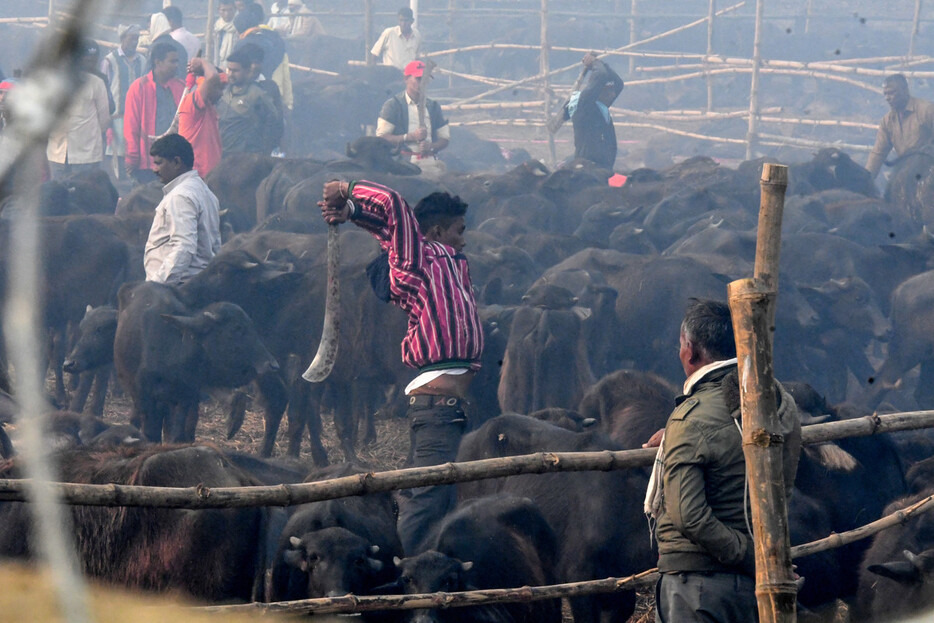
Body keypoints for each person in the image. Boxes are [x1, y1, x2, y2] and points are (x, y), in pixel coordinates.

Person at [317, 179, 483, 554]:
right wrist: (347, 188)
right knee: (425, 502)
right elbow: (392, 204)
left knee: (436, 498)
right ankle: (401, 571)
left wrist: (354, 213)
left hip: (448, 409)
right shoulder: (417, 262)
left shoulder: (450, 262)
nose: (464, 240)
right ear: (436, 232)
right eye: (459, 231)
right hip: (437, 409)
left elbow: (393, 231)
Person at [644, 299, 801, 623]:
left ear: (690, 351)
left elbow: (688, 516)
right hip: (756, 585)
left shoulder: (691, 419)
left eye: (680, 346)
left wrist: (749, 556)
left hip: (698, 587)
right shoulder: (777, 403)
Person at [143, 133, 221, 286]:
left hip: (178, 286)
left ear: (177, 162)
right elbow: (215, 244)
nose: (154, 169)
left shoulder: (180, 196)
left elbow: (184, 246)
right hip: (198, 280)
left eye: (159, 163)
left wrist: (157, 287)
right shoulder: (205, 192)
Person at [46, 40, 111, 180]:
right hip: (57, 153)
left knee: (84, 194)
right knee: (58, 194)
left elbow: (104, 119)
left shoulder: (96, 83)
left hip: (86, 154)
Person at [124, 41, 185, 183]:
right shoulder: (139, 88)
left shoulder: (182, 87)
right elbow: (131, 127)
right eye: (172, 61)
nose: (177, 65)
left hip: (175, 161)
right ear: (158, 62)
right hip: (149, 164)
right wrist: (132, 158)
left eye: (177, 61)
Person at [376, 60, 449, 178]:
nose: (422, 83)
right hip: (403, 163)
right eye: (418, 79)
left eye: (425, 80)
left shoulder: (433, 106)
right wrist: (409, 137)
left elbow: (444, 139)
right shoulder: (393, 105)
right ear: (406, 79)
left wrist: (431, 146)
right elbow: (382, 137)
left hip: (430, 162)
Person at [865, 74, 934, 180]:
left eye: (892, 93)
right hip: (905, 173)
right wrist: (866, 180)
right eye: (885, 94)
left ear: (905, 90)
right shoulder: (887, 121)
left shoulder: (926, 110)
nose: (887, 98)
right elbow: (878, 153)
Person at [216, 46, 282, 155]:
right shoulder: (222, 92)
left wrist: (263, 150)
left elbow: (274, 122)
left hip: (244, 157)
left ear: (247, 71)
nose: (231, 74)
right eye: (229, 70)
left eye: (236, 71)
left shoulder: (257, 95)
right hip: (220, 154)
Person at [101, 24, 145, 180]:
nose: (135, 42)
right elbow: (104, 89)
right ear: (122, 39)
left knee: (136, 154)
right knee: (118, 156)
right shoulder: (110, 61)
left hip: (138, 118)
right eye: (131, 38)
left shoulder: (143, 60)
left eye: (137, 38)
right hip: (117, 118)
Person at [565, 52, 624, 170]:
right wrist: (595, 63)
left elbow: (619, 83)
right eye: (608, 91)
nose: (613, 94)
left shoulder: (601, 105)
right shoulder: (585, 104)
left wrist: (602, 64)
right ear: (597, 91)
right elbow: (601, 75)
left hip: (603, 168)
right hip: (588, 168)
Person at [234, 2, 293, 114]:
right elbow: (286, 78)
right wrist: (289, 105)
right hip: (274, 92)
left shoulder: (242, 45)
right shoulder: (274, 40)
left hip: (250, 97)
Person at [177, 57, 225, 177]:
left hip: (209, 174)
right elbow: (213, 77)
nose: (221, 93)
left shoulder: (209, 106)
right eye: (218, 88)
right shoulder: (193, 102)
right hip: (197, 173)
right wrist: (202, 62)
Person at [214, 0, 238, 70]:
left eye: (230, 10)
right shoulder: (217, 26)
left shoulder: (239, 25)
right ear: (218, 9)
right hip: (219, 64)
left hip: (234, 66)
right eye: (223, 10)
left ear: (235, 9)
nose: (227, 14)